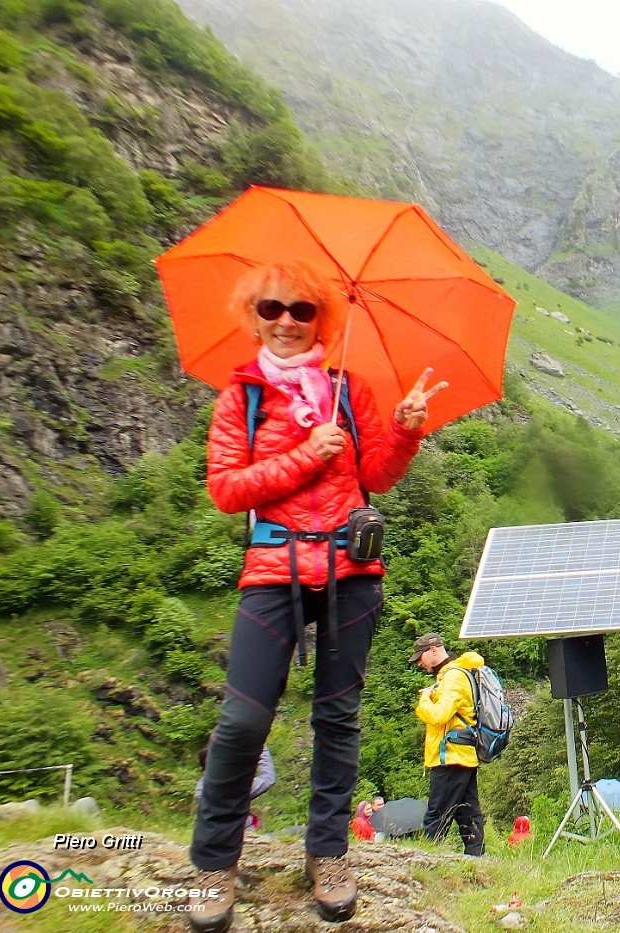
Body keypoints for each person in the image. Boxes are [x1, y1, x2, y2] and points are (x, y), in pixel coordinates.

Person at [188, 263, 436, 933]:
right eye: (274, 306)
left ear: (320, 318)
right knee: (243, 721)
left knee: (338, 717)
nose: (288, 319)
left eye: (302, 308)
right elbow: (226, 489)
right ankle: (214, 862)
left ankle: (328, 854)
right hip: (273, 569)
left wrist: (407, 428)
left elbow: (377, 472)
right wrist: (303, 453)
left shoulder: (347, 389)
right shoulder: (239, 398)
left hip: (351, 570)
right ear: (255, 312)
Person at [413, 632, 488, 856]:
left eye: (420, 657)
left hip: (450, 755)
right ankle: (477, 857)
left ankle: (428, 862)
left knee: (437, 814)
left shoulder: (453, 677)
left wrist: (424, 699)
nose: (419, 663)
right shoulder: (452, 675)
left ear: (434, 650)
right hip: (461, 755)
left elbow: (439, 716)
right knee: (467, 812)